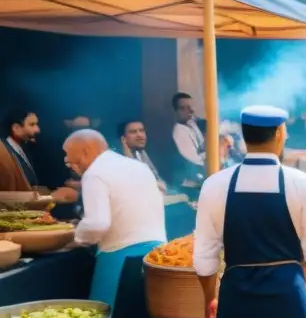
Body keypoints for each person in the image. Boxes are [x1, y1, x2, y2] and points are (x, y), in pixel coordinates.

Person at [195, 106, 306, 318]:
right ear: (280, 133)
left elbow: (204, 257)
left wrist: (210, 299)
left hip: (236, 300)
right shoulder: (301, 183)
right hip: (288, 298)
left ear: (244, 136)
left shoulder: (215, 184)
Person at [67, 129, 166, 306]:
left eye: (69, 155)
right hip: (157, 254)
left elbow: (97, 224)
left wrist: (72, 237)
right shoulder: (138, 166)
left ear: (86, 151)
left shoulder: (95, 173)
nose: (67, 162)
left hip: (119, 258)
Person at [119, 120, 167, 192]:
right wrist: (129, 159)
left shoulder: (140, 152)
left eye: (141, 131)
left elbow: (156, 177)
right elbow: (137, 185)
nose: (139, 135)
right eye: (133, 132)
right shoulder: (118, 159)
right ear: (124, 139)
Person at [171, 92, 206, 193]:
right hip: (191, 186)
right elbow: (196, 161)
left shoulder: (192, 124)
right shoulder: (179, 132)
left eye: (191, 106)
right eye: (184, 108)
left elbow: (201, 148)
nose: (191, 110)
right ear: (176, 112)